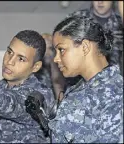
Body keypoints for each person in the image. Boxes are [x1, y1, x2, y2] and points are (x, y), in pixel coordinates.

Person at [47, 15, 123, 143]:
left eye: (61, 50)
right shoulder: (78, 88)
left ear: (85, 47)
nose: (56, 59)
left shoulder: (115, 94)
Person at [67, 1, 123, 75]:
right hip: (80, 80)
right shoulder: (76, 18)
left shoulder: (120, 22)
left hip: (113, 79)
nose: (100, 2)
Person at [35, 33, 66, 101]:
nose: (47, 52)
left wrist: (53, 61)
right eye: (44, 48)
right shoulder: (36, 71)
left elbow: (58, 84)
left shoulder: (63, 68)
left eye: (51, 48)